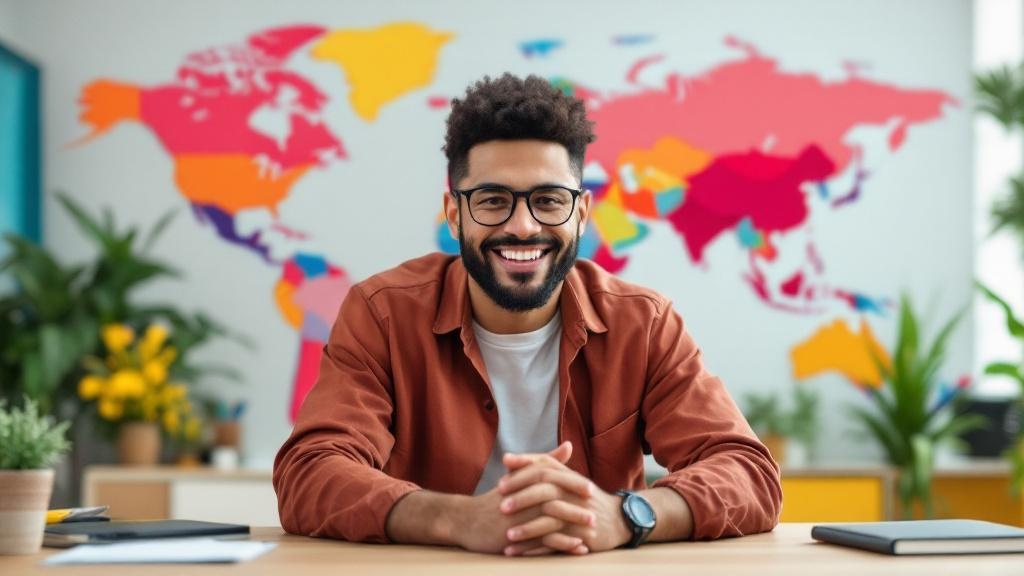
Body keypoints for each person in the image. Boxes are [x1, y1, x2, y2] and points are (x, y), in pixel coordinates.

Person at [273, 73, 782, 556]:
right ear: (455, 214)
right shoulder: (381, 314)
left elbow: (748, 473)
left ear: (581, 213)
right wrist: (458, 519)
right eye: (493, 200)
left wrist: (625, 515)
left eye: (548, 200)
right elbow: (310, 472)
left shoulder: (643, 324)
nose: (522, 226)